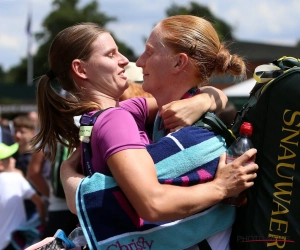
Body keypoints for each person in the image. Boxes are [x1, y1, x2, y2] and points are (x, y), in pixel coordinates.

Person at [31, 20, 257, 249]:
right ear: (80, 69)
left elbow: (196, 97)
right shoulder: (116, 119)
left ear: (180, 62)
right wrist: (220, 188)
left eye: (149, 52)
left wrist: (203, 99)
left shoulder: (114, 115)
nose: (129, 61)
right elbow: (152, 203)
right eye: (111, 54)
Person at [0, 142, 46, 250]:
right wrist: (43, 224)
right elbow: (39, 203)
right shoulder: (16, 178)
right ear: (1, 165)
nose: (14, 160)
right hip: (17, 241)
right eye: (9, 158)